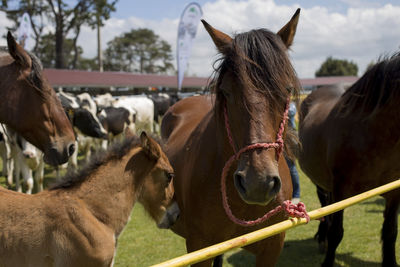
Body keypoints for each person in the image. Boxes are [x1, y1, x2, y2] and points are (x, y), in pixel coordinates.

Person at [286, 101, 301, 204]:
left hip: (290, 137)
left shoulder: (291, 105)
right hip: (281, 137)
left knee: (291, 166)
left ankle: (296, 194)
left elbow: (290, 112)